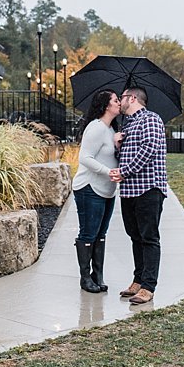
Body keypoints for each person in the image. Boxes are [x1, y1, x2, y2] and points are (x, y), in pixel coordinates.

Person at [109, 86, 168, 305]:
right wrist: (117, 145)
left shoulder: (150, 119)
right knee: (135, 236)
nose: (120, 101)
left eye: (122, 97)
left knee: (149, 237)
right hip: (129, 191)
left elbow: (149, 148)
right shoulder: (128, 124)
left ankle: (148, 286)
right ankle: (138, 280)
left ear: (132, 98)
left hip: (148, 189)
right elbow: (125, 156)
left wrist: (124, 172)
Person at [71, 89, 122, 293]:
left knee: (101, 233)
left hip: (107, 190)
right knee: (89, 233)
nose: (119, 103)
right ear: (106, 105)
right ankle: (85, 278)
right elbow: (85, 158)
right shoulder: (96, 128)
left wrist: (117, 144)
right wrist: (108, 171)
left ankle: (97, 275)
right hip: (89, 188)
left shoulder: (110, 130)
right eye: (116, 100)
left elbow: (109, 156)